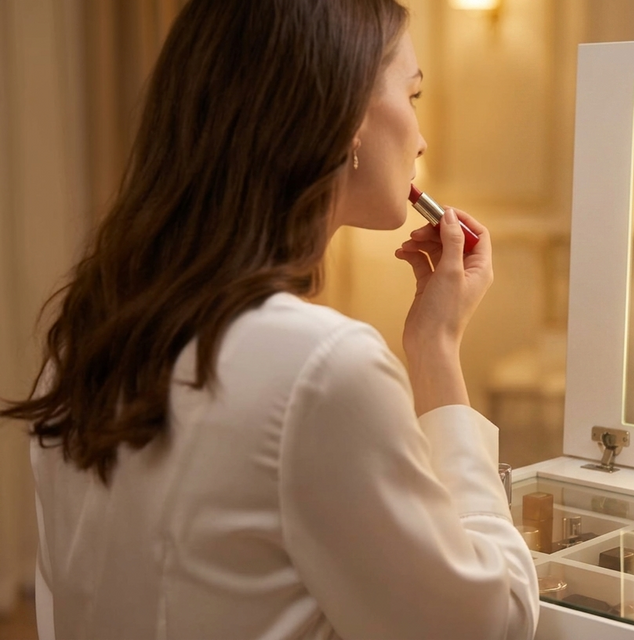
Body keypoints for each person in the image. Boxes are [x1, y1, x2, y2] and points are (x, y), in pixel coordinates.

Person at [0, 1, 539, 638]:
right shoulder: (322, 368)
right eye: (412, 94)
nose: (421, 138)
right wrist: (437, 350)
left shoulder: (90, 332)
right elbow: (486, 621)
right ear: (344, 119)